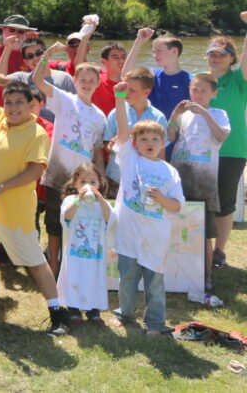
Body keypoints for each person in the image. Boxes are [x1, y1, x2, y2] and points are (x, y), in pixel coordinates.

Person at [0, 74, 68, 336]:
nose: (14, 108)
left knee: (35, 262)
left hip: (15, 212)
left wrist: (3, 187)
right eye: (9, 102)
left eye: (19, 103)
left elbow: (36, 171)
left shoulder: (36, 133)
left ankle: (58, 313)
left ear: (31, 105)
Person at [110, 82, 184, 336]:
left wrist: (162, 199)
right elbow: (122, 127)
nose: (149, 142)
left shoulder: (170, 172)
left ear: (163, 143)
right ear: (134, 143)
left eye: (155, 139)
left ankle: (154, 323)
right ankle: (125, 313)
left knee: (154, 283)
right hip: (129, 234)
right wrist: (120, 97)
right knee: (127, 278)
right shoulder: (129, 158)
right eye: (143, 139)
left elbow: (176, 206)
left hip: (155, 237)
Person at [33, 43, 106, 277]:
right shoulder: (65, 99)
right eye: (82, 79)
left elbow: (96, 151)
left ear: (98, 84)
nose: (86, 83)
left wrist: (101, 178)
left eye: (91, 80)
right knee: (54, 223)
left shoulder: (99, 116)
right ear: (75, 81)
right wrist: (47, 55)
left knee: (75, 222)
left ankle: (70, 266)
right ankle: (53, 266)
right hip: (58, 174)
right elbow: (38, 80)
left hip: (82, 180)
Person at [167, 74, 229, 292]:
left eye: (203, 90)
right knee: (176, 225)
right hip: (179, 178)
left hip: (205, 182)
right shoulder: (183, 115)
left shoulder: (219, 114)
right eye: (194, 90)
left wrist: (204, 113)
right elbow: (170, 135)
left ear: (213, 93)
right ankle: (175, 273)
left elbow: (221, 136)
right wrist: (175, 114)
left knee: (205, 231)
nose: (198, 94)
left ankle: (206, 276)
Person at [201, 26, 247, 271]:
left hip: (232, 150)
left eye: (222, 54)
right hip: (201, 151)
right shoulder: (199, 78)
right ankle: (200, 247)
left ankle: (219, 250)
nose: (216, 57)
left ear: (232, 57)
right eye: (212, 53)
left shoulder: (239, 79)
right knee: (200, 200)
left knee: (225, 202)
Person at [56, 163, 111, 327]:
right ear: (75, 184)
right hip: (75, 252)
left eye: (93, 182)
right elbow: (67, 216)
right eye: (83, 181)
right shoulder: (70, 200)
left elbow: (110, 219)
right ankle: (73, 308)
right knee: (75, 277)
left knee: (94, 278)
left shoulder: (101, 204)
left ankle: (94, 310)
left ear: (99, 184)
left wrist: (100, 199)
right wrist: (79, 200)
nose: (88, 185)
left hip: (95, 253)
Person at [102, 68, 167, 190]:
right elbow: (106, 144)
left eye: (132, 90)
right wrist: (110, 146)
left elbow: (161, 154)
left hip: (145, 180)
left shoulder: (158, 118)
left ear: (146, 92)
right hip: (116, 179)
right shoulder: (115, 112)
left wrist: (158, 180)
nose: (126, 92)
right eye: (125, 88)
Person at [1, 37, 76, 122]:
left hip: (55, 131)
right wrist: (7, 48)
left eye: (39, 53)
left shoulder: (64, 78)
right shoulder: (21, 78)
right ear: (26, 62)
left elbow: (75, 109)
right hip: (28, 130)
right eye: (30, 56)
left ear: (46, 52)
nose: (36, 58)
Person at [122, 28, 191, 119]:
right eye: (154, 52)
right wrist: (138, 42)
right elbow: (125, 75)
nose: (155, 55)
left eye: (159, 51)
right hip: (152, 129)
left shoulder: (189, 80)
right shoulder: (152, 75)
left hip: (177, 130)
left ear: (174, 51)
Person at [91, 42, 127, 116]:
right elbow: (79, 66)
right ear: (104, 61)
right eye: (116, 58)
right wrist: (84, 39)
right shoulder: (96, 81)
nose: (121, 61)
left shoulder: (129, 85)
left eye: (123, 57)